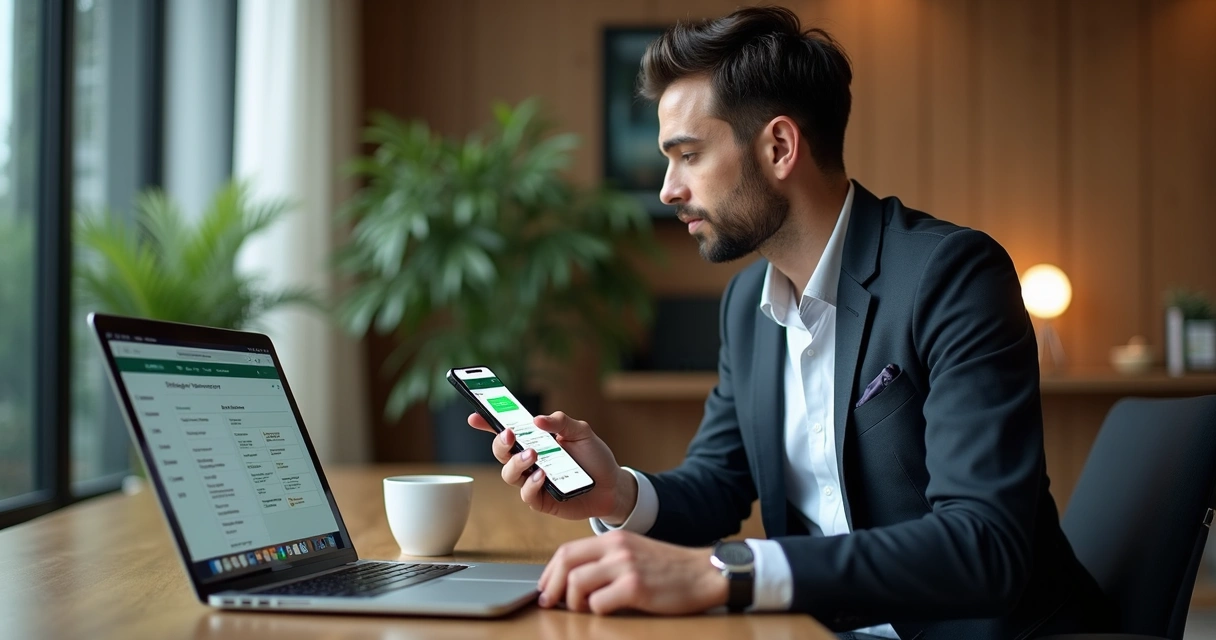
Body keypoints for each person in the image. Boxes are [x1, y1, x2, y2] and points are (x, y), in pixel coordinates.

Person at [468, 6, 1114, 639]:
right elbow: (717, 487)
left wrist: (732, 572)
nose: (668, 189)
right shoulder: (747, 306)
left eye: (688, 155)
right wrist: (615, 494)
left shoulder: (952, 275)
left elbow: (983, 543)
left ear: (779, 146)